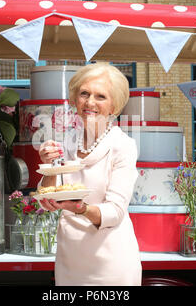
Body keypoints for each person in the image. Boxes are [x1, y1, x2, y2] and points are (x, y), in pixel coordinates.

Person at [37, 63, 142, 286]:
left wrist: (80, 208)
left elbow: (114, 213)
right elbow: (47, 200)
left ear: (115, 105)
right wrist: (47, 166)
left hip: (111, 261)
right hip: (70, 259)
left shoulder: (123, 146)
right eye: (84, 93)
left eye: (100, 96)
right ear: (75, 99)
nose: (90, 102)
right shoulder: (66, 141)